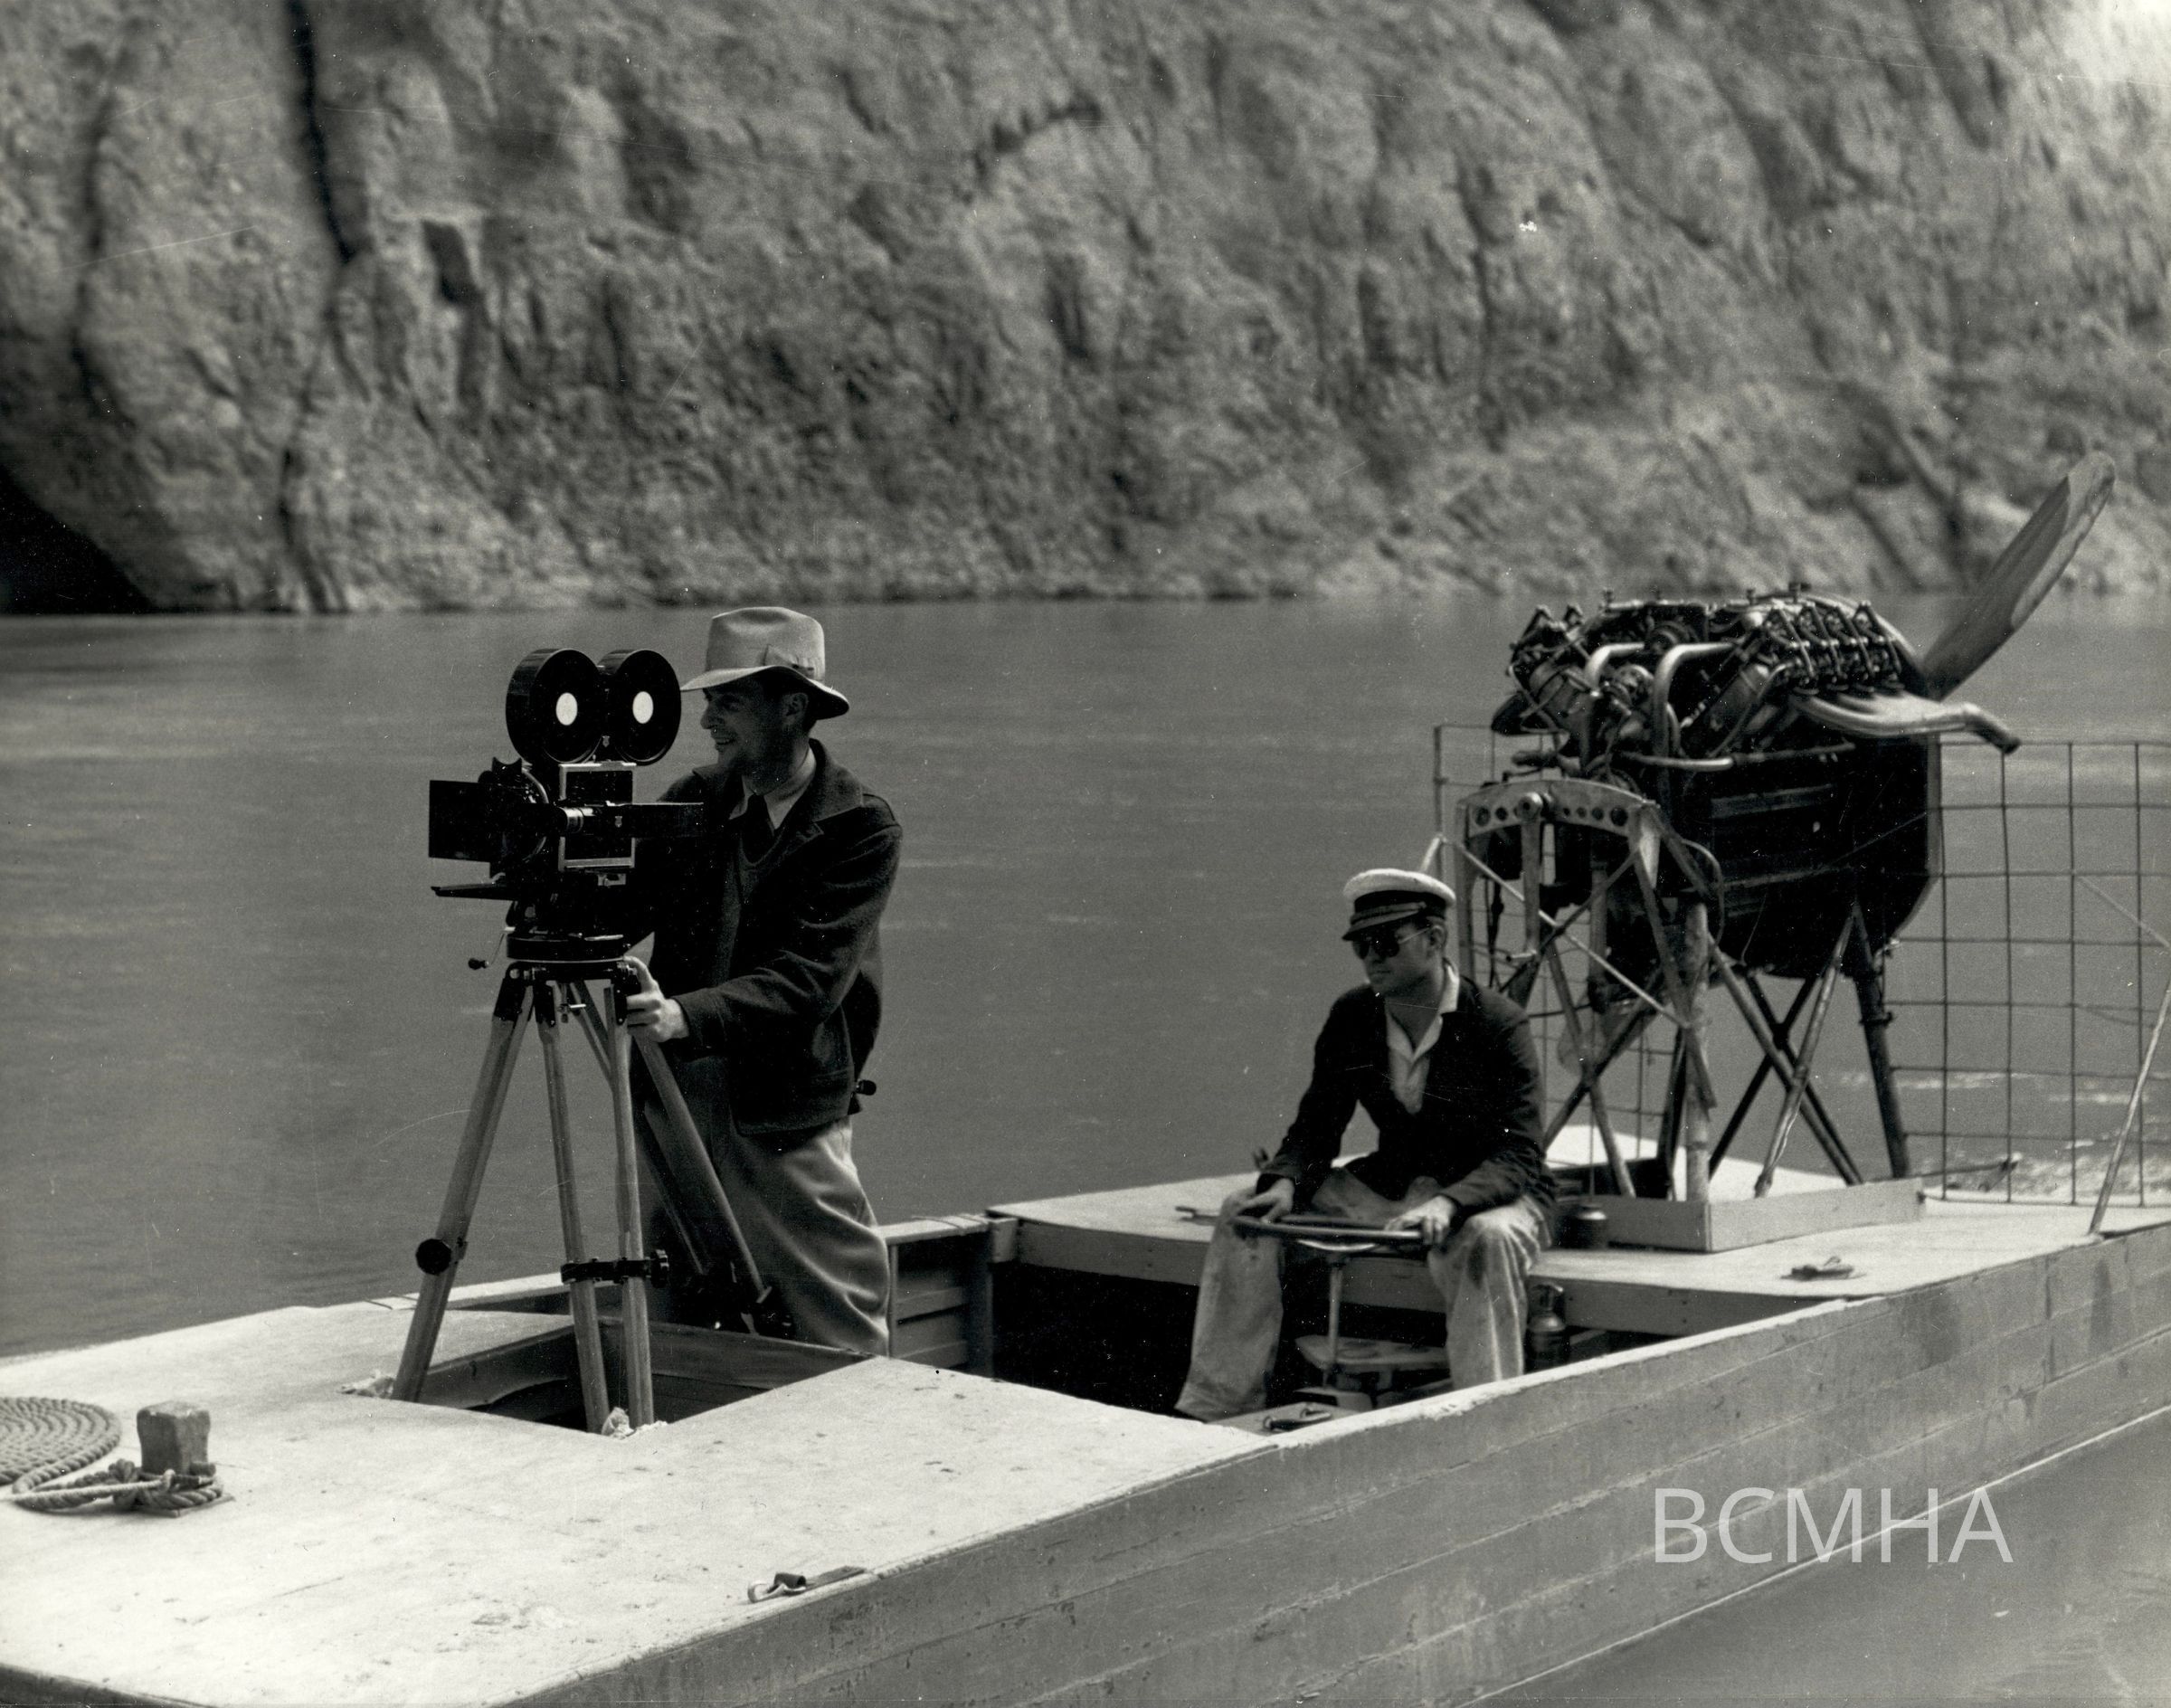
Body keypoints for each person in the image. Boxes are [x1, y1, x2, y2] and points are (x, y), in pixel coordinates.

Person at [617, 606, 901, 1357]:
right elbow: (621, 912)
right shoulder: (696, 799)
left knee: (835, 1311)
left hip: (782, 1112)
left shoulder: (859, 827)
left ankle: (869, 1421)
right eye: (709, 701)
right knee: (670, 1297)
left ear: (793, 708)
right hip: (676, 1095)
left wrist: (681, 1015)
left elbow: (810, 982)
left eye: (729, 702)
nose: (707, 721)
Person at [1175, 868, 1553, 1420]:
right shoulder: (1353, 1015)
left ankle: (1485, 1418)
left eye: (1386, 942)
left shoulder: (1497, 1023)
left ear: (1434, 939)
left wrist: (1449, 1204)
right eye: (1361, 946)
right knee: (1245, 1214)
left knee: (1485, 1241)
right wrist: (1284, 1184)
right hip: (1394, 1187)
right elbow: (1317, 1124)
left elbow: (1519, 1153)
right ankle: (1217, 1407)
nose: (1372, 957)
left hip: (1487, 1195)